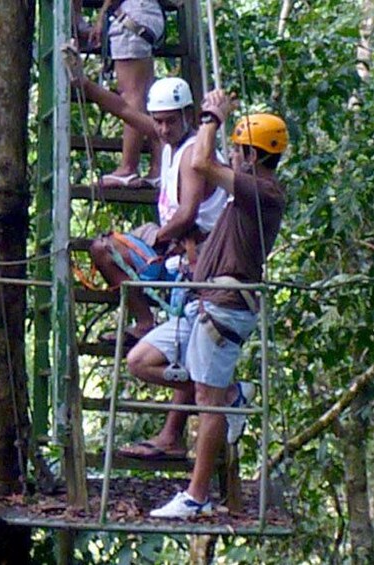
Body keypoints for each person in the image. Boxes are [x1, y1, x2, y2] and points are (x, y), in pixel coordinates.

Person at [123, 88, 288, 518]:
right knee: (141, 360)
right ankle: (232, 394)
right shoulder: (247, 195)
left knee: (207, 402)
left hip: (225, 305)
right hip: (204, 301)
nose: (231, 156)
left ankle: (196, 497)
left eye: (237, 150)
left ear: (252, 156)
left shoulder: (264, 192)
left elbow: (200, 162)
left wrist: (211, 118)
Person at [62, 45, 228, 343]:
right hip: (177, 243)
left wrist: (159, 238)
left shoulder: (192, 154)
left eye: (170, 121)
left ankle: (145, 321)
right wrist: (83, 83)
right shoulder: (170, 140)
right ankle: (145, 321)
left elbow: (187, 213)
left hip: (195, 252)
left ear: (187, 115)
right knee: (107, 247)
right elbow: (125, 110)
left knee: (105, 248)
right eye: (158, 121)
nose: (163, 129)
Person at [89, 0, 166, 188]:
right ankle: (158, 169)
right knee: (144, 96)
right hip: (147, 14)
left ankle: (128, 168)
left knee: (132, 96)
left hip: (132, 17)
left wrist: (102, 15)